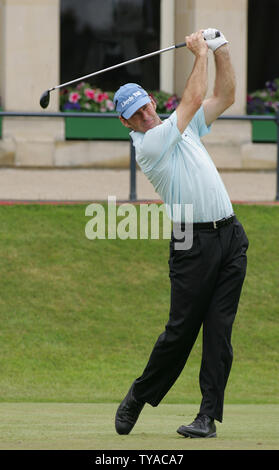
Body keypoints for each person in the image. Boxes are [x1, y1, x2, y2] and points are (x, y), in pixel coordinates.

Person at [112, 29, 249, 438]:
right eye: (134, 115)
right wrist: (199, 52)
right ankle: (139, 395)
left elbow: (224, 97)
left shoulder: (180, 126)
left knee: (219, 333)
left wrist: (221, 48)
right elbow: (191, 100)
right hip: (193, 244)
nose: (143, 116)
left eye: (144, 107)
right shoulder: (151, 143)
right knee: (180, 333)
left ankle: (207, 416)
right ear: (125, 122)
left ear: (152, 101)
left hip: (230, 237)